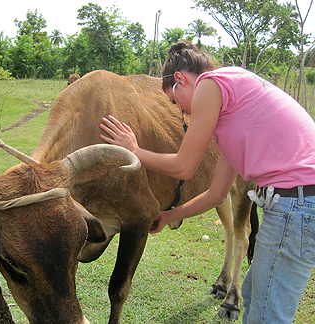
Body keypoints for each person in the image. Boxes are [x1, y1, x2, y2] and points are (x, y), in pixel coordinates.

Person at [99, 40, 315, 324]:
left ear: (181, 80)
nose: (182, 113)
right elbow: (216, 194)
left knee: (267, 315)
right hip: (296, 204)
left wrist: (135, 151)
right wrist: (169, 215)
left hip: (296, 205)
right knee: (253, 297)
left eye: (176, 102)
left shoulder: (210, 84)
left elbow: (184, 167)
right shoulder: (234, 114)